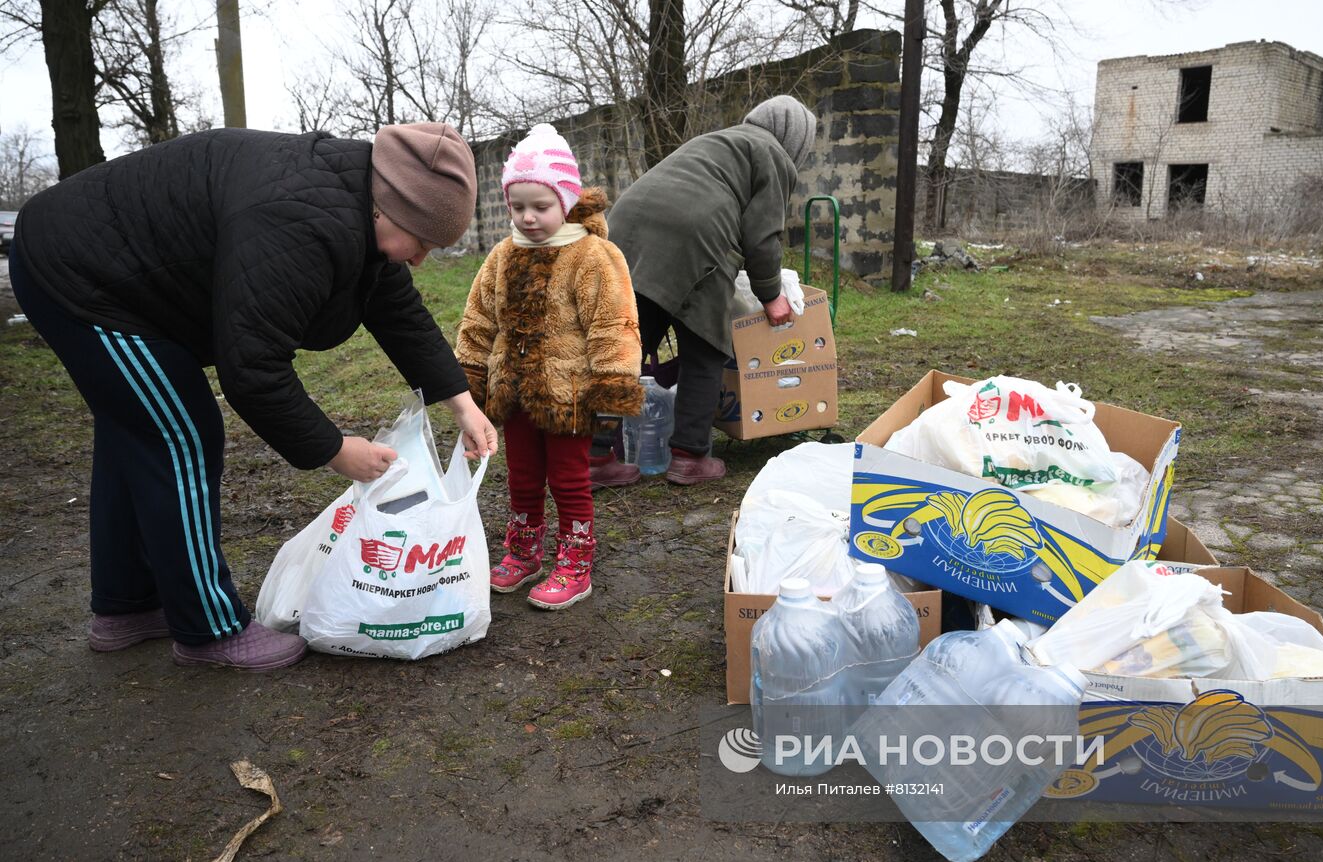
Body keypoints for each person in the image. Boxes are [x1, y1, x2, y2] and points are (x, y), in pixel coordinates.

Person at [9, 123, 497, 671]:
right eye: (424, 242)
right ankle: (208, 630)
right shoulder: (302, 219)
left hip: (104, 266)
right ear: (390, 208)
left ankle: (127, 607)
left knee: (139, 428)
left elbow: (397, 311)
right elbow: (254, 369)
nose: (422, 259)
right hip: (83, 275)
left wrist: (462, 403)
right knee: (182, 434)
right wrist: (335, 449)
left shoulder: (356, 201)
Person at [456, 124, 642, 610]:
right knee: (520, 474)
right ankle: (523, 552)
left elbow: (613, 323)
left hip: (569, 394)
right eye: (518, 207)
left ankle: (575, 560)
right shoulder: (502, 255)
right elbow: (478, 319)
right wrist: (472, 380)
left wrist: (611, 387)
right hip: (514, 390)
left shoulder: (592, 255)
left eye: (540, 206)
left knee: (568, 477)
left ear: (565, 199)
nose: (528, 217)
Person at [589, 95, 817, 488]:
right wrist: (770, 294)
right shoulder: (773, 154)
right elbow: (763, 236)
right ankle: (690, 456)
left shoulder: (719, 140)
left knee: (624, 346)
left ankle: (593, 456)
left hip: (625, 226)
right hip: (694, 238)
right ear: (794, 140)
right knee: (707, 346)